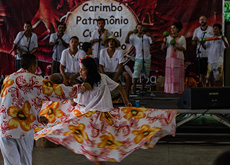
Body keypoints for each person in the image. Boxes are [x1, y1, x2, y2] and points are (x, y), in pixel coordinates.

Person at [34, 56, 177, 164]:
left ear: (88, 70)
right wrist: (126, 101)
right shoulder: (103, 77)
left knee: (94, 150)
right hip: (106, 117)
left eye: (82, 69)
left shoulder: (86, 86)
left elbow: (73, 101)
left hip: (93, 120)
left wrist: (71, 96)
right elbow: (120, 87)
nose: (80, 72)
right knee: (98, 151)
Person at [0, 54, 91, 165]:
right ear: (33, 66)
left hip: (4, 127)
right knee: (25, 161)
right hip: (22, 129)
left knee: (10, 163)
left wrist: (37, 118)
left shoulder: (8, 78)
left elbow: (13, 103)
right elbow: (58, 91)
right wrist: (81, 88)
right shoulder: (34, 79)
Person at [125, 23, 155, 94]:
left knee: (146, 74)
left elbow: (153, 41)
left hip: (147, 57)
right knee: (136, 73)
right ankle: (134, 88)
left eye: (141, 28)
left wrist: (150, 35)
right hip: (138, 58)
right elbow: (126, 41)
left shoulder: (146, 37)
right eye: (138, 28)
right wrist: (128, 34)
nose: (140, 29)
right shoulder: (134, 37)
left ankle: (143, 88)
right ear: (136, 29)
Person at [161, 22, 186, 94]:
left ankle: (178, 90)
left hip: (179, 58)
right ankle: (169, 90)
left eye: (174, 28)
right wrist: (164, 42)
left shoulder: (182, 38)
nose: (172, 30)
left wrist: (176, 47)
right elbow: (162, 48)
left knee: (177, 75)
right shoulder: (168, 38)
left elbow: (184, 48)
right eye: (171, 28)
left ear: (178, 29)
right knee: (170, 75)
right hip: (169, 58)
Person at [192, 16, 214, 87]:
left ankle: (211, 87)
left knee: (210, 72)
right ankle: (204, 86)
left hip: (209, 54)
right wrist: (195, 40)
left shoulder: (211, 29)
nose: (202, 21)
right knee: (202, 73)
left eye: (203, 19)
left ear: (206, 20)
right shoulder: (197, 30)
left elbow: (213, 41)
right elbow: (193, 43)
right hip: (200, 54)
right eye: (201, 20)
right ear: (199, 21)